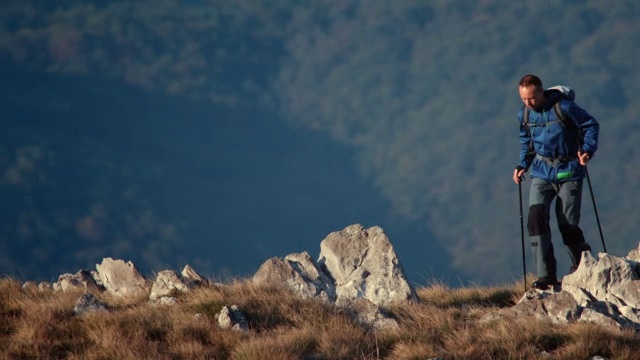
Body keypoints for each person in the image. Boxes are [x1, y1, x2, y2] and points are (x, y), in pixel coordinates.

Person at [513, 74, 599, 290]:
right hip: (541, 172)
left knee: (567, 224)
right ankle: (546, 276)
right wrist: (522, 164)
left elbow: (591, 125)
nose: (528, 103)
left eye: (531, 98)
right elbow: (527, 143)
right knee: (535, 218)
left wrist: (587, 150)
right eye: (523, 99)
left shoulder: (564, 108)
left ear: (541, 92)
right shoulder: (524, 115)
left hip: (569, 171)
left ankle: (582, 268)